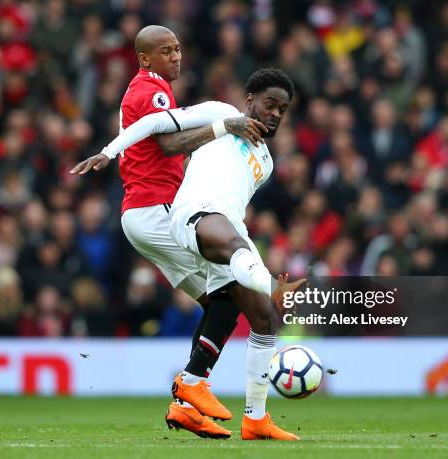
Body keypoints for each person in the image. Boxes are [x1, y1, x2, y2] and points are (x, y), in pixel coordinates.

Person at [74, 68, 305, 440]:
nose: (276, 113)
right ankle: (193, 383)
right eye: (270, 104)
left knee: (259, 315)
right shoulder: (219, 111)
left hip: (226, 224)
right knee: (239, 263)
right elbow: (157, 129)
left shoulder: (267, 163)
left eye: (283, 109)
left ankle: (250, 417)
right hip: (192, 216)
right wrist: (108, 151)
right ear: (250, 101)